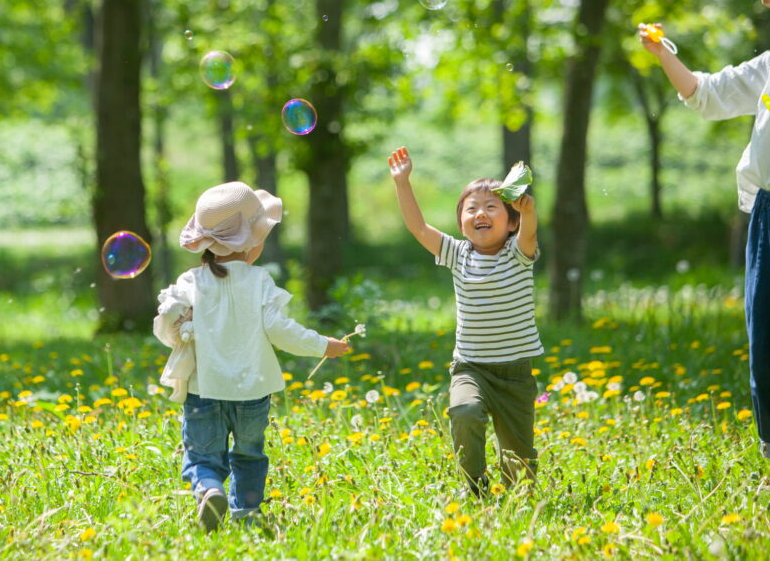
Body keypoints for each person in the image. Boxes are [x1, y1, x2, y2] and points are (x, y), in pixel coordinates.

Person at [153, 181, 352, 531]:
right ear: (252, 242)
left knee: (202, 455)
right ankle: (246, 512)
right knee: (249, 455)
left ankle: (209, 488)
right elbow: (280, 330)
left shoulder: (191, 281)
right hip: (253, 392)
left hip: (204, 389)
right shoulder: (259, 281)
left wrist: (178, 321)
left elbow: (168, 327)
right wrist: (323, 345)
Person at [639, 6, 770, 459]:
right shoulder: (768, 66)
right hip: (769, 211)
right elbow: (706, 94)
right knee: (766, 337)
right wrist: (662, 54)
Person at [388, 147, 542, 496]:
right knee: (464, 410)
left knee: (521, 477)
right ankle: (475, 486)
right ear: (461, 223)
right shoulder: (458, 254)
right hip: (471, 367)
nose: (480, 213)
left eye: (491, 207)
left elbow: (530, 234)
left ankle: (515, 490)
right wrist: (402, 183)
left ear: (511, 221)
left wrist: (529, 211)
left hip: (515, 375)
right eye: (471, 209)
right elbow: (417, 227)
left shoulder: (518, 254)